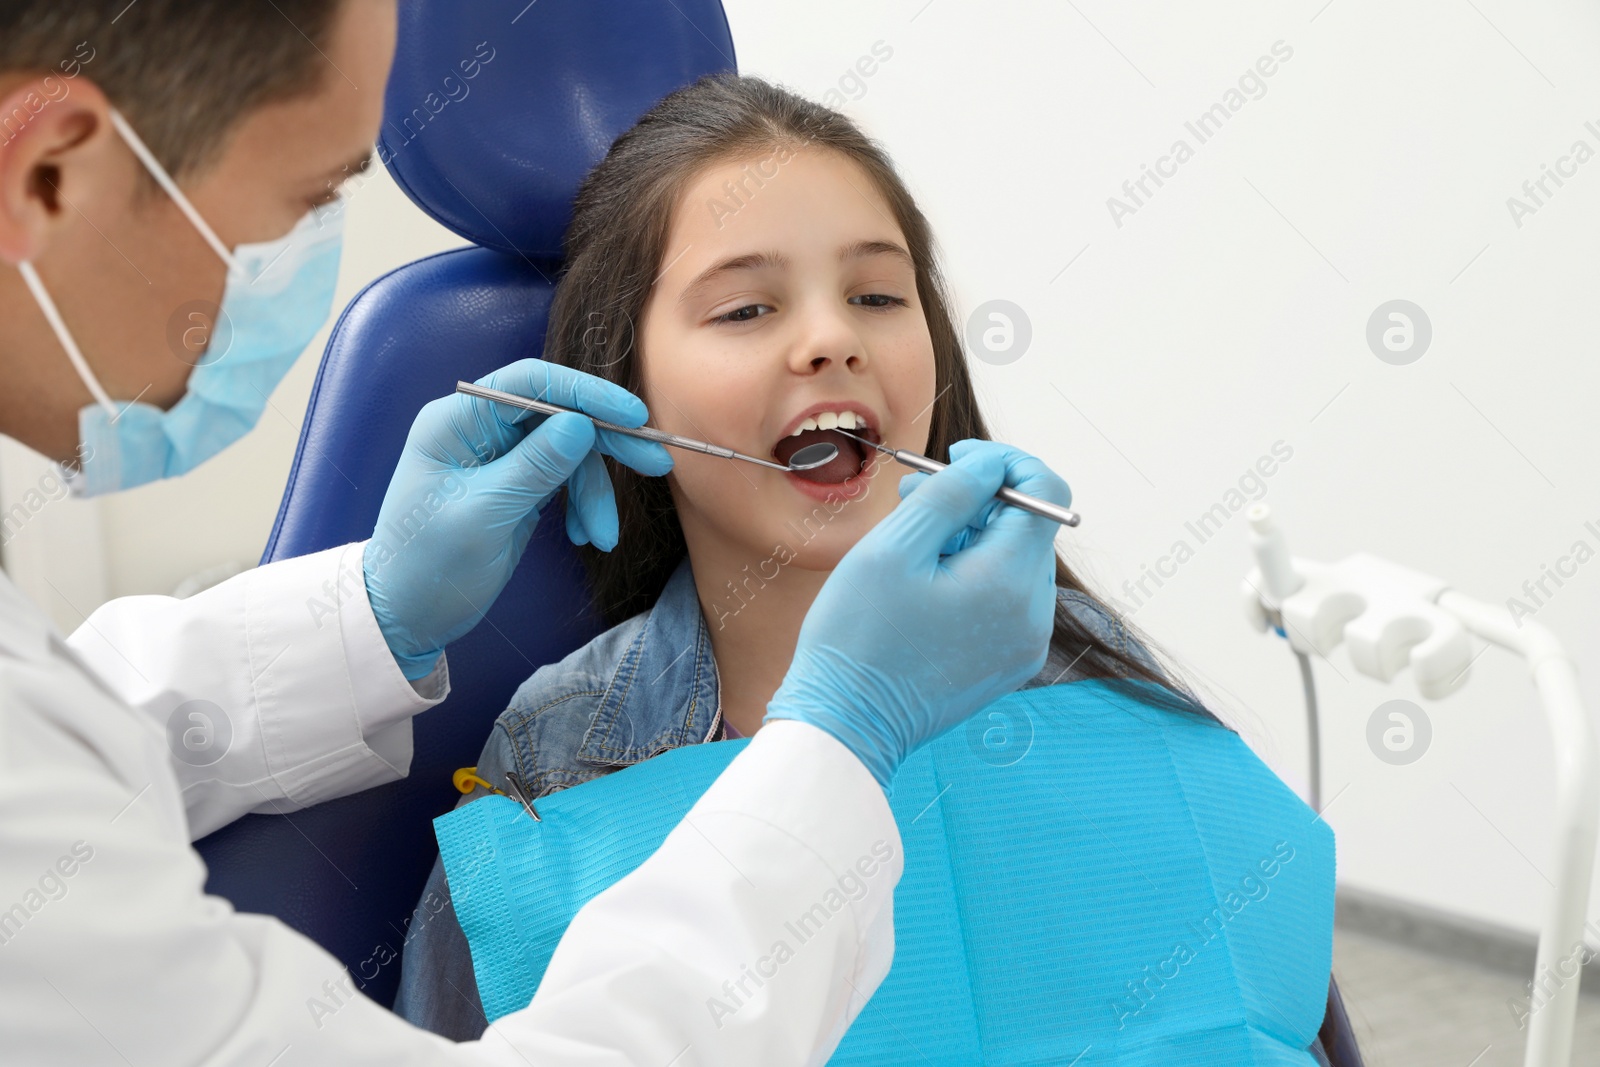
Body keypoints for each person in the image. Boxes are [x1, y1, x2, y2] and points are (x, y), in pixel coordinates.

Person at [0, 4, 1071, 1064]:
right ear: (49, 173)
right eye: (300, 201)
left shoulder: (1115, 716)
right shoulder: (551, 781)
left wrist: (371, 612)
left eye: (878, 292)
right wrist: (843, 733)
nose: (832, 338)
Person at [395, 72, 1219, 1035]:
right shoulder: (560, 759)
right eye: (745, 310)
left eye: (876, 293)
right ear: (627, 393)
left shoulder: (1097, 683)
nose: (832, 338)